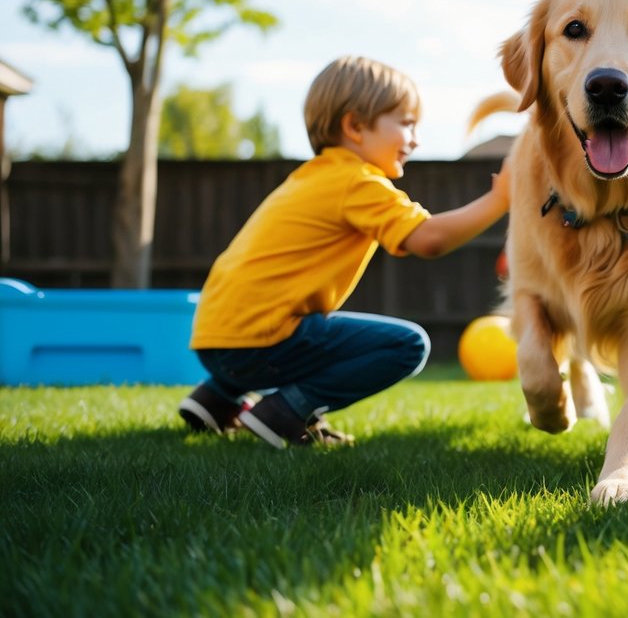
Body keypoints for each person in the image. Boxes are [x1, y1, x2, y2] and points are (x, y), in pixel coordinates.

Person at [177, 54, 510, 448]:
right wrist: (500, 200)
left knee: (310, 330)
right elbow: (429, 238)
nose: (415, 139)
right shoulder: (357, 181)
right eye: (406, 123)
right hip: (259, 342)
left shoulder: (307, 177)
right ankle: (285, 411)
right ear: (354, 126)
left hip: (214, 339)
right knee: (408, 345)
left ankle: (216, 400)